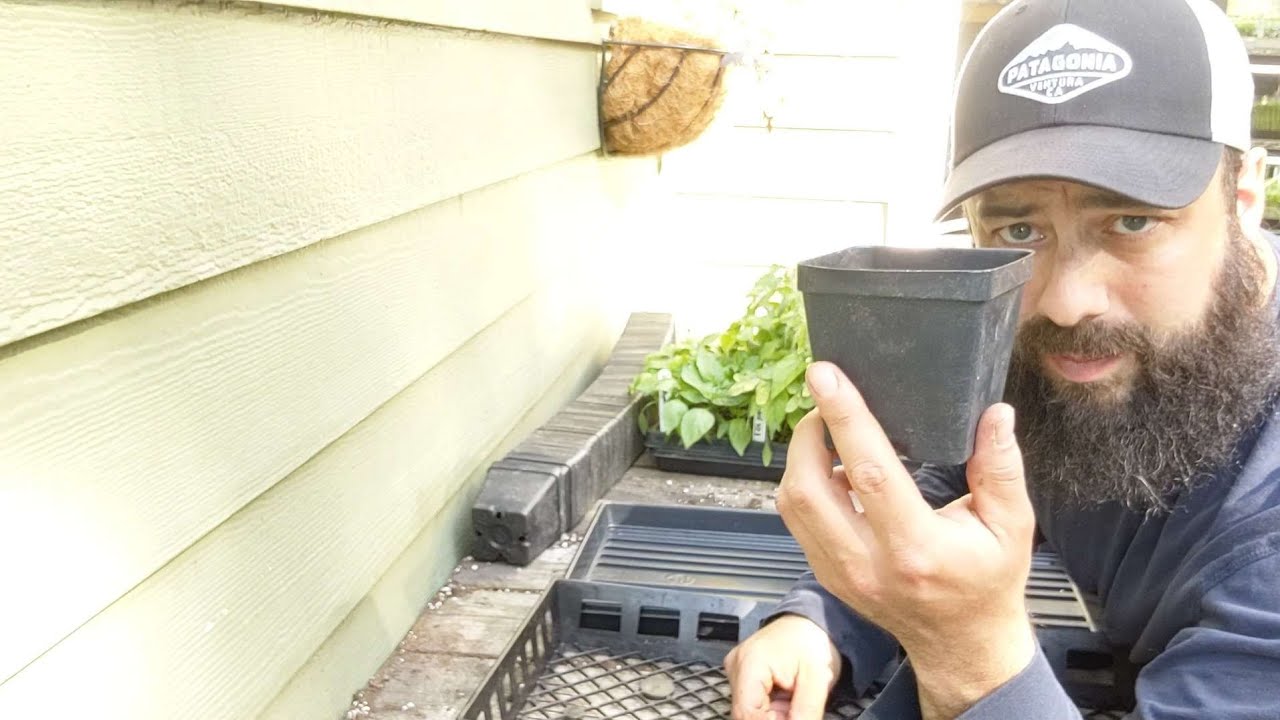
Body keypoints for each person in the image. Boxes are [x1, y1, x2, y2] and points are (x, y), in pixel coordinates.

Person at [726, 0, 1280, 718]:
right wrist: (822, 617)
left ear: (1243, 199)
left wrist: (973, 656)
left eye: (1133, 220)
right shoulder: (1076, 356)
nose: (1066, 301)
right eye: (1020, 226)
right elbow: (964, 472)